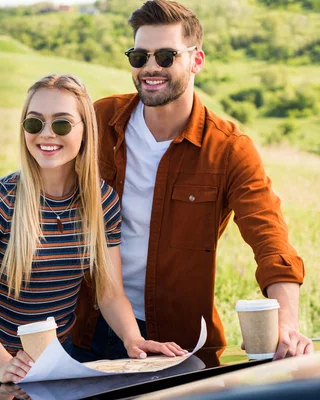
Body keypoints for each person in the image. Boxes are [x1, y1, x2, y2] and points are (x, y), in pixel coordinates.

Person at [72, 0, 312, 363]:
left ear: (196, 61)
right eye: (139, 57)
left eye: (166, 56)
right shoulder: (99, 121)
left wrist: (287, 324)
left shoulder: (229, 149)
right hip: (84, 324)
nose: (150, 68)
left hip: (176, 342)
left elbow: (270, 239)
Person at [0, 74, 186, 397]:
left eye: (61, 124)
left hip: (55, 361)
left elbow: (110, 293)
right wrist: (2, 363)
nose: (46, 135)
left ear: (85, 130)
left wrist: (134, 340)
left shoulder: (102, 202)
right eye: (34, 124)